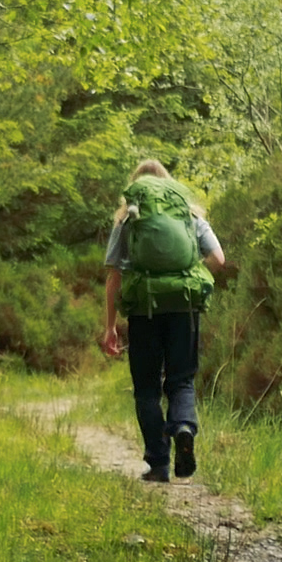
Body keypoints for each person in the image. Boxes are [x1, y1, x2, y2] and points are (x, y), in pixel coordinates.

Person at [100, 159, 226, 482]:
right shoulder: (188, 213)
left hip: (144, 310)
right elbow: (218, 258)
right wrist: (187, 275)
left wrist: (110, 327)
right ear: (168, 184)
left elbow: (114, 276)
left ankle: (158, 463)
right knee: (181, 380)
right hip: (184, 308)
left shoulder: (127, 219)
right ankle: (183, 427)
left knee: (146, 388)